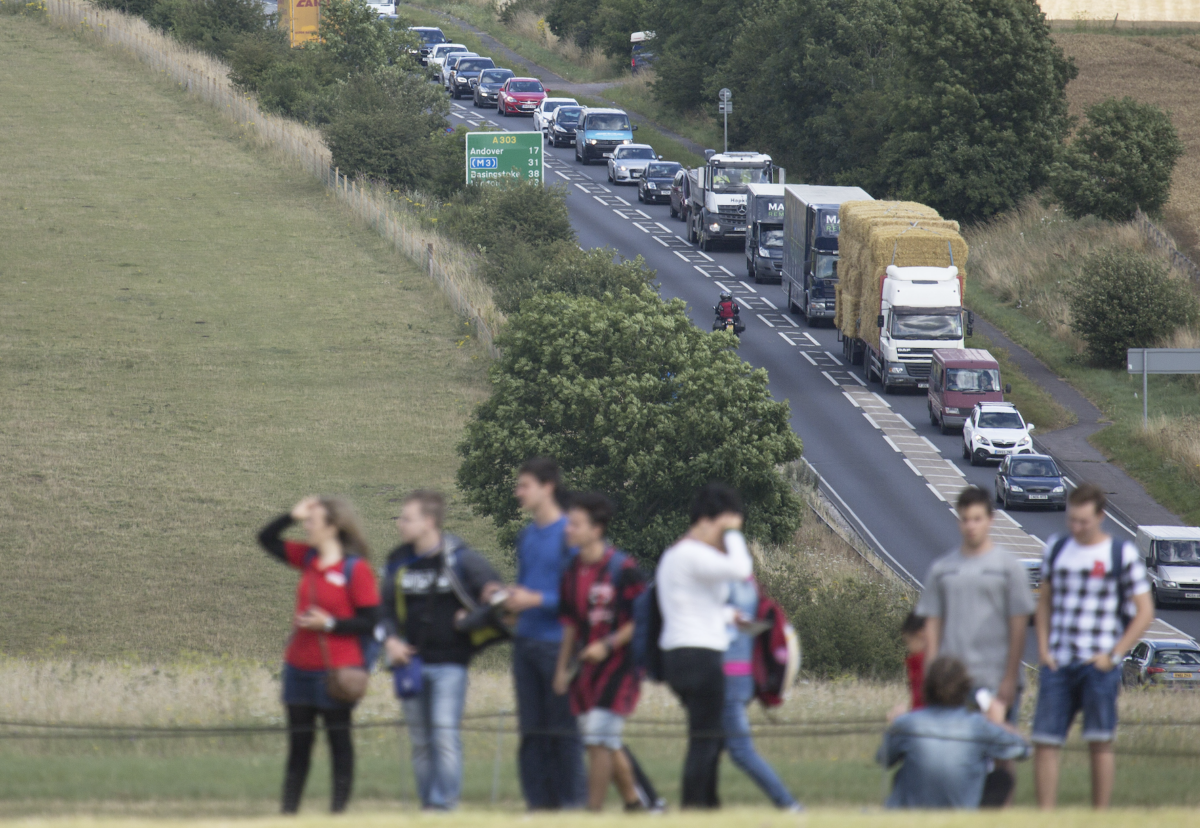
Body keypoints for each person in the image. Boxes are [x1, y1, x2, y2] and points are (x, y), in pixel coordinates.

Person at [1032, 483, 1154, 810]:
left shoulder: (1120, 554)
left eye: (1083, 521)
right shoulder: (1057, 548)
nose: (1076, 527)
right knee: (1045, 742)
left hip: (1099, 666)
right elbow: (1043, 603)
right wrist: (1043, 651)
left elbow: (1144, 611)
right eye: (1071, 519)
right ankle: (1046, 816)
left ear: (1100, 516)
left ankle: (1099, 815)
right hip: (1058, 662)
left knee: (1099, 742)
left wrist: (1114, 655)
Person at [379, 490, 504, 811]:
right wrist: (390, 641)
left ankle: (445, 807)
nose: (400, 524)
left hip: (451, 664)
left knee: (445, 734)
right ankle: (429, 808)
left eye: (407, 518)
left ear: (429, 522)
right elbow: (383, 612)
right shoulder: (398, 562)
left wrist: (471, 621)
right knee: (421, 742)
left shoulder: (461, 559)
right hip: (410, 665)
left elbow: (497, 598)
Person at [257, 496, 381, 815]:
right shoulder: (308, 558)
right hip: (298, 667)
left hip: (336, 671)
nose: (307, 526)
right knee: (299, 748)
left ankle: (337, 814)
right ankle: (289, 814)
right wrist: (292, 514)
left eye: (313, 521)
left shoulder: (356, 569)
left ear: (333, 527)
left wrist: (330, 623)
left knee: (339, 743)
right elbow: (266, 539)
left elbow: (371, 620)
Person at [916, 485, 1035, 805]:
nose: (971, 525)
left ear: (990, 520)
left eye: (977, 519)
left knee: (1002, 752)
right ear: (959, 521)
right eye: (965, 519)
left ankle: (1000, 813)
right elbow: (932, 624)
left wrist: (1011, 677)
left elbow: (1019, 624)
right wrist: (930, 674)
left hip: (997, 678)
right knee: (955, 753)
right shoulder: (943, 569)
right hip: (955, 681)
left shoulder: (1008, 568)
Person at [656, 482, 753, 809]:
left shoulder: (676, 554)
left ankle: (708, 806)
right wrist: (733, 533)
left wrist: (728, 615)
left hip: (679, 654)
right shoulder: (692, 553)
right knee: (705, 740)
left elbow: (689, 605)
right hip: (700, 656)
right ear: (713, 520)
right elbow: (741, 570)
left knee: (710, 735)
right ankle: (696, 808)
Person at [552, 492, 648, 811]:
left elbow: (641, 620)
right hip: (586, 670)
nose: (568, 530)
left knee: (596, 739)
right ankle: (635, 804)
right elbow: (568, 624)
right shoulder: (570, 572)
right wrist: (562, 670)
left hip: (621, 668)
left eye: (575, 524)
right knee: (604, 739)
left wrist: (607, 645)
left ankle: (592, 813)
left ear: (596, 530)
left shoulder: (623, 569)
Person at [502, 458, 587, 810]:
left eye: (524, 485)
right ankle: (538, 807)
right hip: (525, 643)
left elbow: (580, 597)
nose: (517, 492)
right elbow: (527, 584)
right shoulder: (527, 535)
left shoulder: (572, 534)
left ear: (547, 487)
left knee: (563, 730)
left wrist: (535, 599)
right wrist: (508, 600)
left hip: (559, 647)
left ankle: (572, 805)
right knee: (531, 730)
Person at [879, 656, 1031, 809]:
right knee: (1002, 779)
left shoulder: (908, 723)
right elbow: (1023, 749)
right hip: (961, 814)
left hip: (911, 814)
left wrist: (895, 725)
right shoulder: (978, 726)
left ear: (927, 686)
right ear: (966, 688)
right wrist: (998, 723)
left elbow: (884, 758)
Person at [721, 576, 801, 810]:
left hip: (729, 676)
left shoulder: (728, 584)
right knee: (709, 746)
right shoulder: (747, 584)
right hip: (743, 677)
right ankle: (701, 808)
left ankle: (789, 805)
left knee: (740, 751)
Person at [901, 612, 927, 711]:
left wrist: (904, 718)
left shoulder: (920, 663)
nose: (909, 648)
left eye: (908, 641)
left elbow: (920, 706)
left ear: (920, 634)